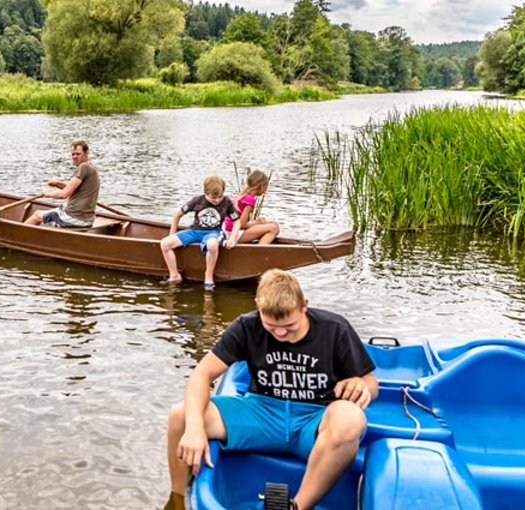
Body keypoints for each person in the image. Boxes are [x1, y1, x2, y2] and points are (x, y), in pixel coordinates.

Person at [164, 269, 377, 510]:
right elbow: (200, 375)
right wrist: (194, 429)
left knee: (350, 417)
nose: (280, 333)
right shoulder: (246, 326)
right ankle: (178, 501)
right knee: (180, 416)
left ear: (304, 306)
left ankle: (298, 506)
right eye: (271, 326)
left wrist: (361, 385)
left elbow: (371, 383)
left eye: (290, 326)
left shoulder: (335, 329)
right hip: (261, 411)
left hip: (314, 419)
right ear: (258, 307)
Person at [159, 176, 243, 291]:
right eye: (213, 198)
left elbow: (237, 221)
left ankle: (208, 275)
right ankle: (174, 274)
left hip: (214, 232)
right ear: (205, 193)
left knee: (212, 244)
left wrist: (232, 238)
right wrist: (172, 234)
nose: (217, 200)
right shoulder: (197, 201)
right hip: (195, 231)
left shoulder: (226, 202)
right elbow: (177, 215)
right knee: (165, 243)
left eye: (220, 197)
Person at [25, 139, 100, 228]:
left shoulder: (83, 167)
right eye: (73, 154)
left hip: (74, 218)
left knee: (37, 215)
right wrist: (57, 183)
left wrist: (47, 194)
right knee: (56, 211)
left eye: (78, 154)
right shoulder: (91, 168)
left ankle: (17, 234)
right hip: (87, 219)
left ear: (86, 153)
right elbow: (73, 188)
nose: (75, 157)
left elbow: (64, 195)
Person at [224, 169, 280, 245]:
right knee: (274, 228)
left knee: (270, 225)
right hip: (233, 234)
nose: (265, 190)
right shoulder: (249, 199)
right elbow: (242, 224)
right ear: (261, 186)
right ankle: (259, 252)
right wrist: (256, 223)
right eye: (266, 186)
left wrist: (257, 223)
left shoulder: (243, 195)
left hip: (228, 231)